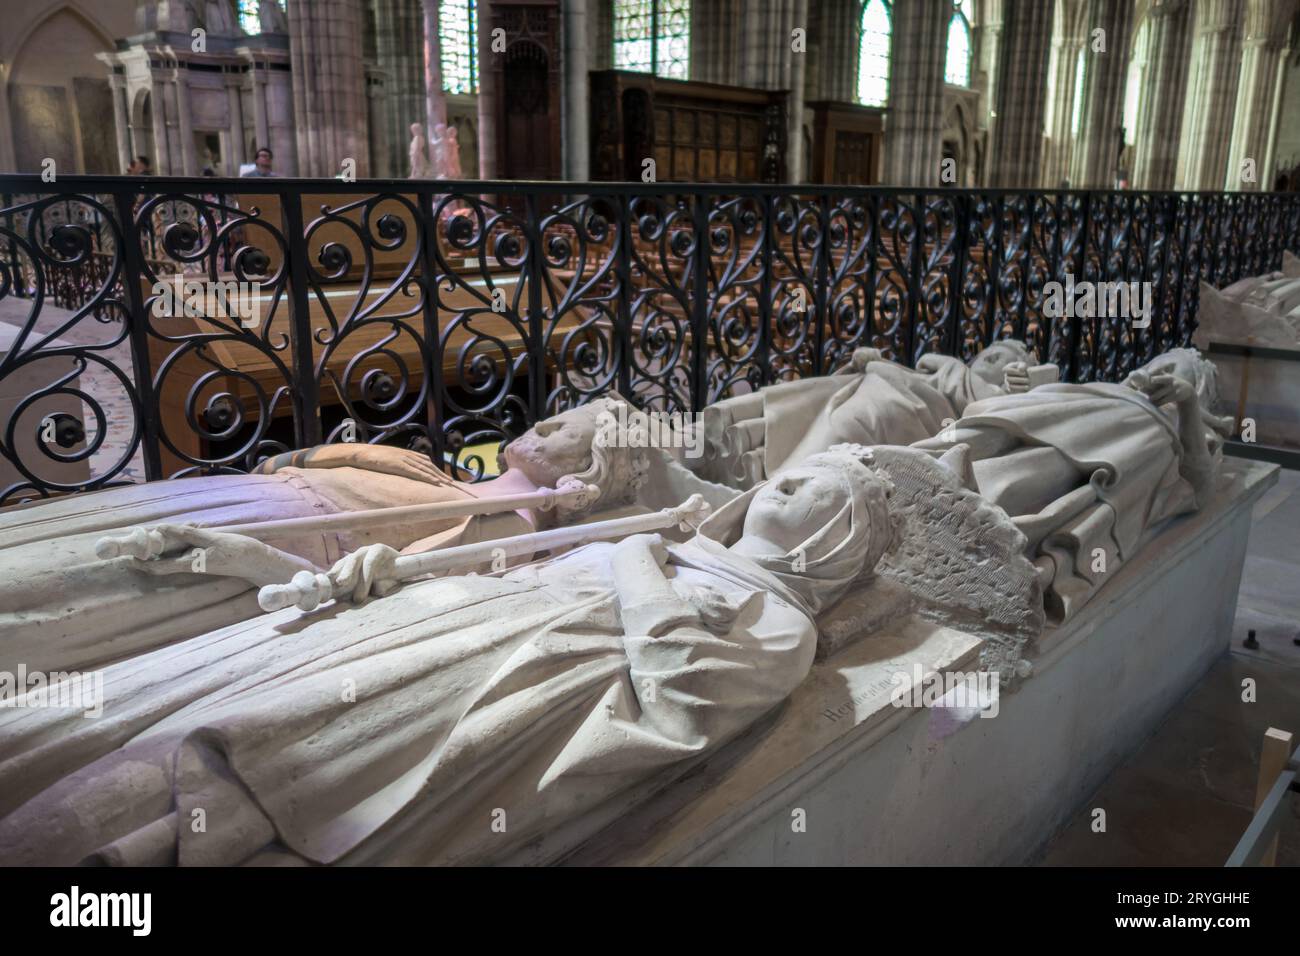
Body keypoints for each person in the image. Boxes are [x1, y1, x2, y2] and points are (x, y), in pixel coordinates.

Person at [0, 447, 896, 866]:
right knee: (129, 746)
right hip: (420, 629)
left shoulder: (782, 620)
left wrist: (636, 564)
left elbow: (686, 696)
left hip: (489, 686)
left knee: (214, 784)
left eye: (818, 484)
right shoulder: (674, 543)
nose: (790, 476)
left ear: (840, 538)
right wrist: (370, 575)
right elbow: (483, 574)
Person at [0, 399, 651, 674]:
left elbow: (365, 590)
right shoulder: (448, 478)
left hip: (267, 539)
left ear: (585, 473)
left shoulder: (505, 526)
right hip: (244, 499)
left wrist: (250, 559)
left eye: (569, 427)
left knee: (46, 589)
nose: (548, 418)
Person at [912, 348, 1230, 623]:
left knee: (1048, 463)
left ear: (1195, 387)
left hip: (1122, 443)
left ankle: (971, 509)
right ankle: (926, 470)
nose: (1153, 371)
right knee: (1013, 424)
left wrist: (1186, 403)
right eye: (1154, 364)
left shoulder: (1186, 426)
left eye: (1170, 370)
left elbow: (1200, 486)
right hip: (1073, 415)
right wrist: (1028, 383)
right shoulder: (1106, 389)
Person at [695, 339, 1041, 488]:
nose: (988, 358)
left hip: (909, 411)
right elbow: (915, 371)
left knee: (842, 428)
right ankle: (744, 461)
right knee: (814, 400)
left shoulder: (994, 396)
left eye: (1000, 358)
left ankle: (776, 489)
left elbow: (994, 417)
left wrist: (1019, 386)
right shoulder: (949, 368)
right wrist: (872, 361)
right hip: (881, 385)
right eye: (988, 352)